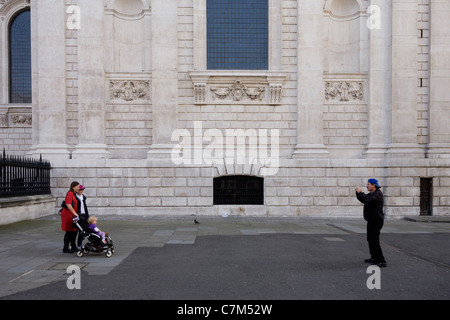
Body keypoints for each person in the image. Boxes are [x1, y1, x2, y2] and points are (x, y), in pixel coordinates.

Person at [355, 178, 387, 268]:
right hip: (371, 220)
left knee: (375, 241)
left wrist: (360, 192)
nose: (367, 185)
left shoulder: (378, 194)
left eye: (369, 184)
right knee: (370, 239)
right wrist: (358, 193)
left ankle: (381, 260)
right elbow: (363, 199)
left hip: (377, 221)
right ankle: (374, 257)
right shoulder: (372, 194)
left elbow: (367, 199)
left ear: (374, 185)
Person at [60, 181, 80, 253]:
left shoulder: (74, 194)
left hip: (71, 215)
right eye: (77, 187)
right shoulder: (70, 193)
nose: (78, 188)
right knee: (69, 232)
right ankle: (66, 248)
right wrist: (75, 213)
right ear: (73, 187)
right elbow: (68, 204)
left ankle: (73, 247)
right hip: (68, 215)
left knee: (72, 232)